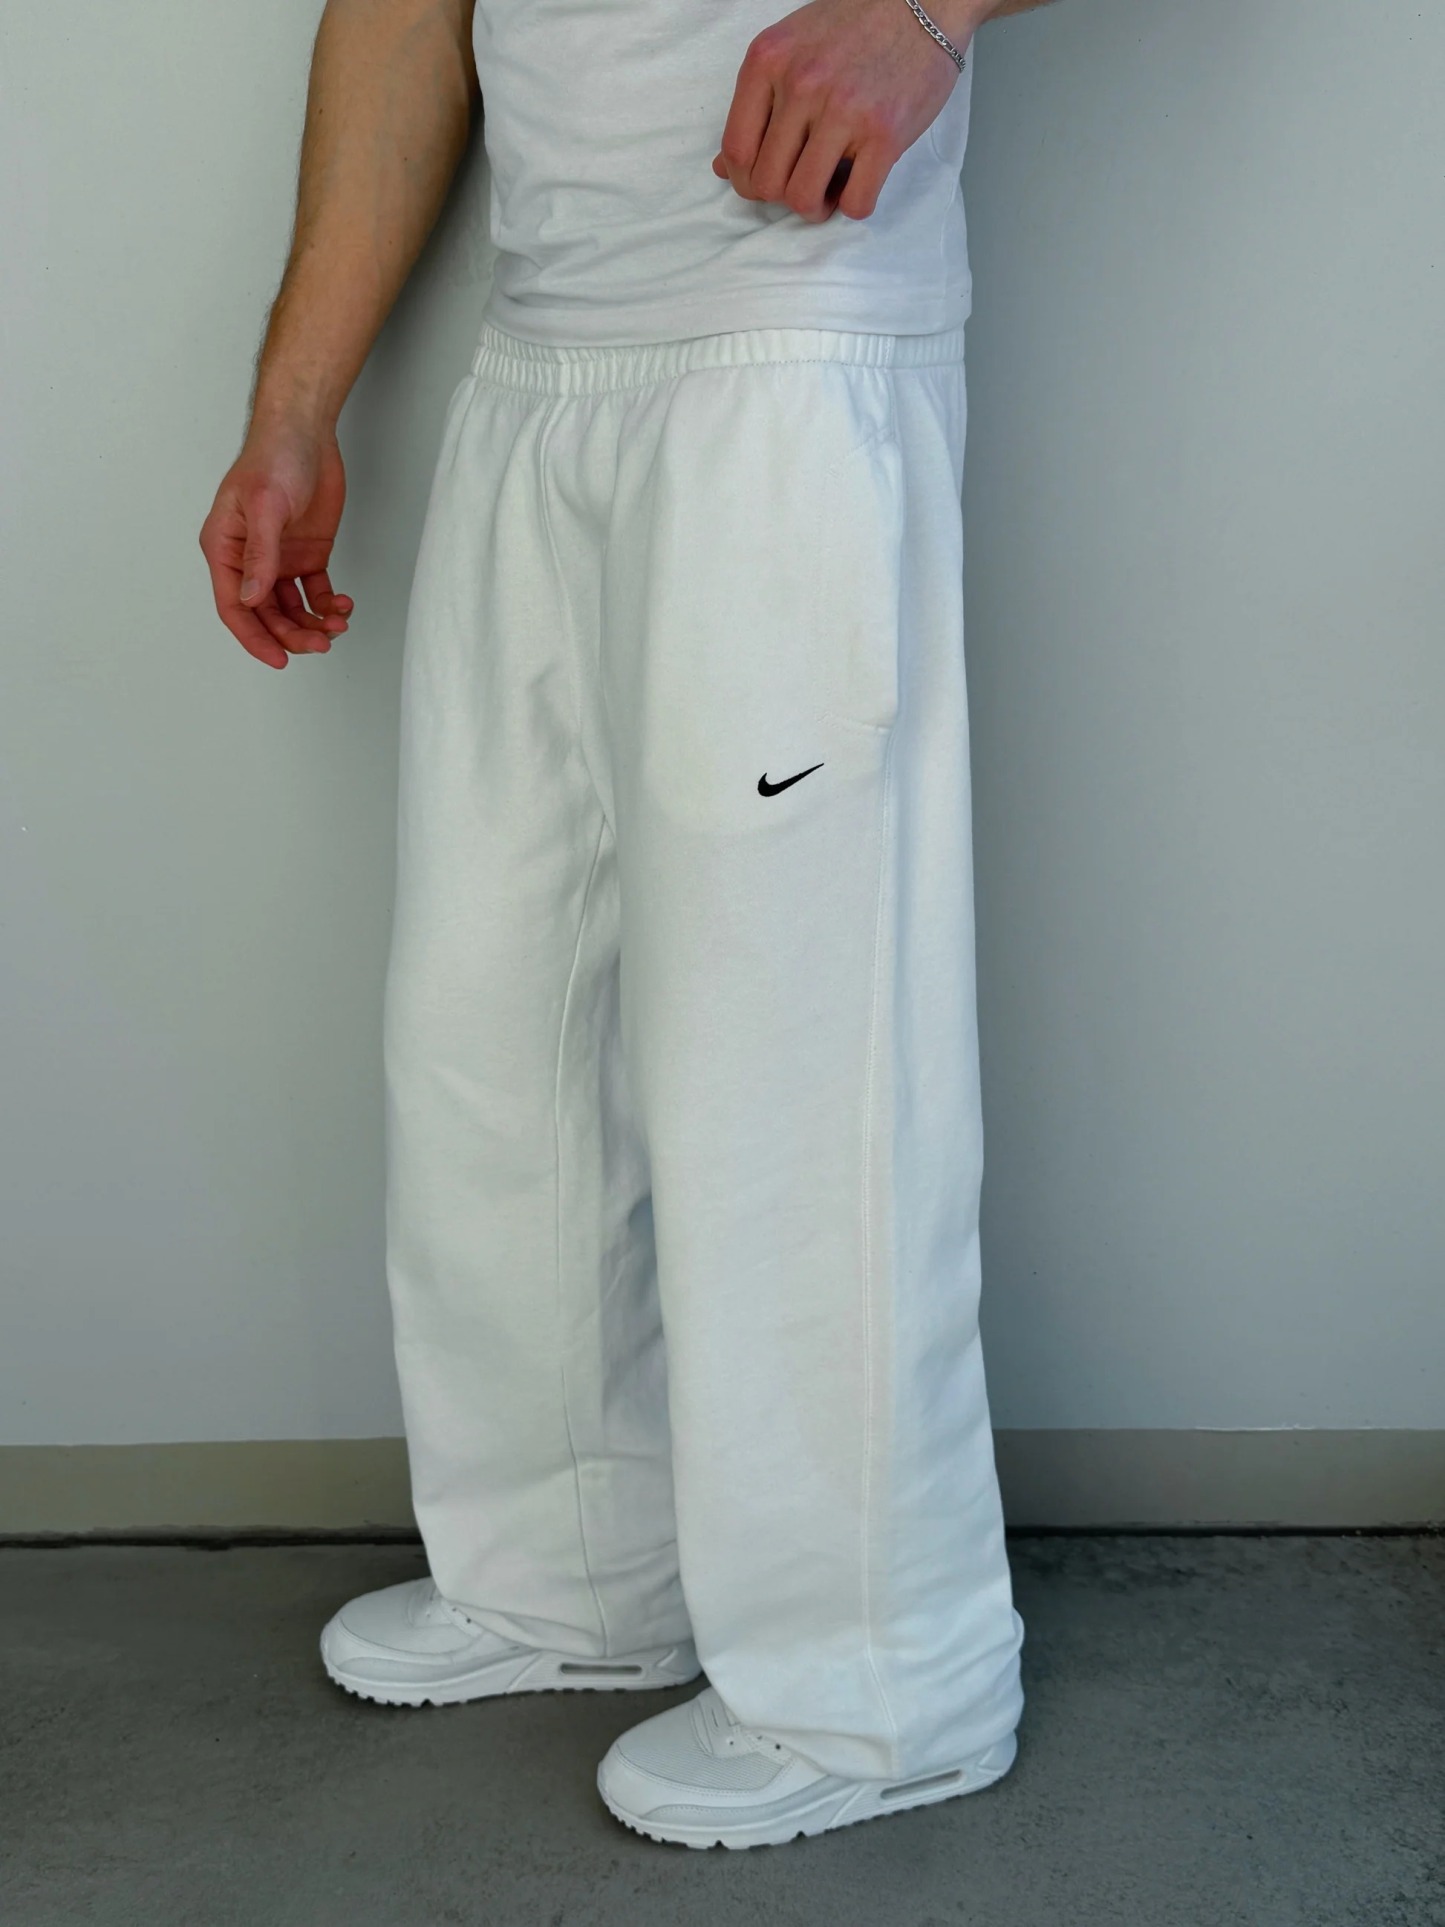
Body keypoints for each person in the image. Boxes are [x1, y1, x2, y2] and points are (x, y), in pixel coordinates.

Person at [200, 0, 1054, 1851]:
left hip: (785, 349)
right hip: (539, 369)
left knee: (791, 1070)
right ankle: (570, 1571)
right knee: (490, 1043)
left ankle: (879, 1682)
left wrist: (922, 14)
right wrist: (294, 406)